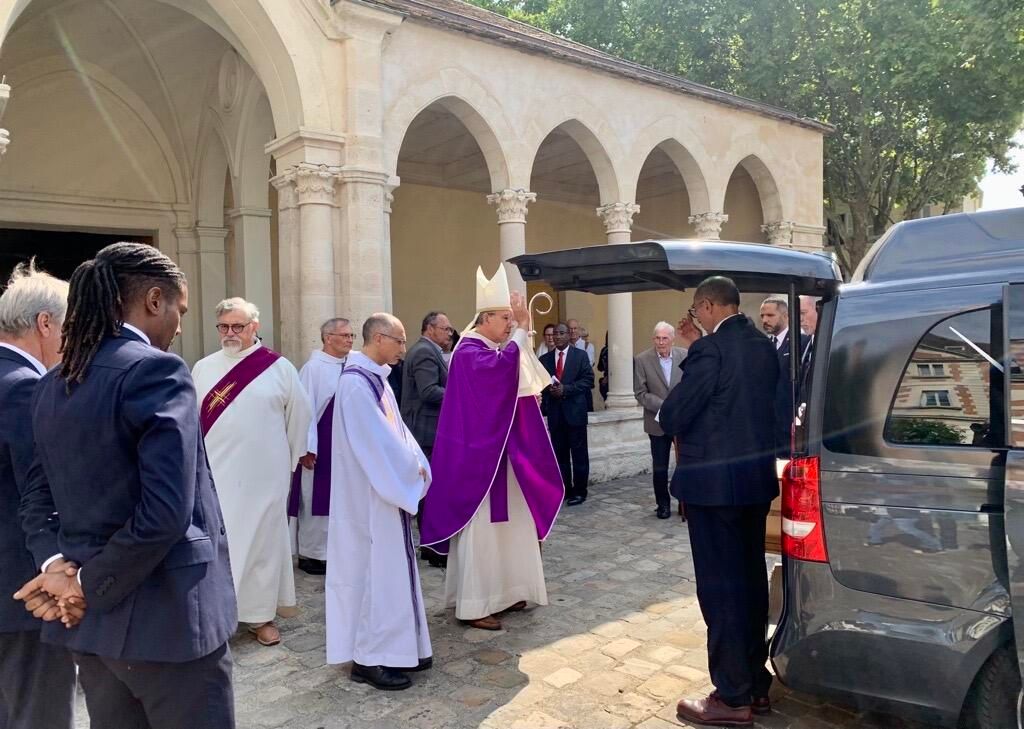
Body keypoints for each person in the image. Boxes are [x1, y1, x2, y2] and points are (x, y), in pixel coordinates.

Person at [16, 242, 237, 728]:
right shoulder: (157, 369)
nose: (179, 326)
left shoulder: (54, 381)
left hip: (92, 628)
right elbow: (165, 513)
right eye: (179, 310)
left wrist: (56, 567)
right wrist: (83, 585)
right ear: (154, 300)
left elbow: (36, 497)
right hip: (169, 624)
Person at [660, 276, 779, 726]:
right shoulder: (764, 346)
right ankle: (756, 684)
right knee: (750, 584)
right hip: (754, 484)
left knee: (720, 590)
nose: (696, 319)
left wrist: (695, 350)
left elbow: (675, 413)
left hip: (713, 491)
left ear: (708, 307)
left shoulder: (710, 350)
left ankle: (731, 696)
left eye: (696, 312)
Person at [420, 265, 563, 631]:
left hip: (503, 456)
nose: (509, 322)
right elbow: (498, 375)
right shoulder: (470, 351)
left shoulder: (493, 349)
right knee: (483, 530)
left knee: (513, 524)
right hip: (480, 461)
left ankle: (508, 591)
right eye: (504, 317)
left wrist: (519, 339)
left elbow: (514, 381)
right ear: (484, 318)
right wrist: (522, 329)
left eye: (510, 318)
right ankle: (475, 603)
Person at [192, 297, 312, 647]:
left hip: (265, 476)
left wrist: (285, 464)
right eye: (224, 326)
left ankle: (260, 616)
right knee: (221, 543)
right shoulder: (203, 368)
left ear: (254, 327)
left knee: (262, 544)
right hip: (217, 473)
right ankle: (218, 616)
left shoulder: (279, 368)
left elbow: (299, 418)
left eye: (238, 326)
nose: (230, 333)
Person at [325, 313, 432, 691]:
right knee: (376, 575)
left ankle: (402, 648)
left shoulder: (376, 379)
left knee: (391, 573)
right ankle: (370, 659)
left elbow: (397, 433)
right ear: (379, 339)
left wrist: (417, 462)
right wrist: (409, 470)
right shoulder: (356, 384)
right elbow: (375, 443)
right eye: (399, 340)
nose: (404, 348)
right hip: (370, 497)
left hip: (383, 491)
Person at [0, 262, 76, 729]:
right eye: (71, 328)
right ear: (45, 324)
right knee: (38, 715)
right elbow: (46, 494)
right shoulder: (27, 388)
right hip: (25, 594)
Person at [289, 317, 353, 575]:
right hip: (320, 446)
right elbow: (304, 410)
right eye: (345, 335)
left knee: (340, 500)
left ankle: (335, 552)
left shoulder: (352, 365)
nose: (350, 340)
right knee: (314, 498)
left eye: (351, 335)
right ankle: (311, 553)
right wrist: (306, 447)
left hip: (345, 445)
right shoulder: (313, 369)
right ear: (328, 338)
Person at [401, 310, 451, 568]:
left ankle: (432, 544)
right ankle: (433, 547)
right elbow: (429, 391)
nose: (449, 333)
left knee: (430, 491)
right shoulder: (424, 352)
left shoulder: (430, 350)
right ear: (430, 328)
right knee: (431, 491)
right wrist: (459, 391)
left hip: (428, 428)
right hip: (426, 429)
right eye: (445, 329)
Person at [633, 321, 687, 520]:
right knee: (660, 467)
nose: (661, 342)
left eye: (665, 338)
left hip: (681, 421)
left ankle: (684, 503)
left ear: (672, 339)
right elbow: (640, 392)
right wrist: (664, 406)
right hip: (656, 422)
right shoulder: (642, 360)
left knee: (685, 464)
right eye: (657, 338)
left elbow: (690, 385)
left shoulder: (684, 356)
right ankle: (662, 504)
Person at [541, 322, 594, 506]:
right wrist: (549, 390)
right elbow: (540, 383)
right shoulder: (545, 359)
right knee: (560, 455)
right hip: (556, 415)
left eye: (561, 333)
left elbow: (588, 380)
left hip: (575, 414)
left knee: (579, 455)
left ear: (568, 335)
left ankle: (580, 491)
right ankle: (565, 489)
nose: (557, 336)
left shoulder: (580, 356)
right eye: (555, 333)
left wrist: (566, 389)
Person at [760, 295, 806, 457]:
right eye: (762, 316)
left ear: (786, 316)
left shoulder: (800, 342)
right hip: (769, 426)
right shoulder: (764, 345)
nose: (765, 320)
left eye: (770, 315)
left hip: (789, 424)